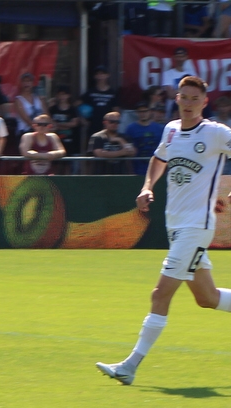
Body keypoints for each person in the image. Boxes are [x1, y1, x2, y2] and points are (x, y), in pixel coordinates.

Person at [97, 76, 231, 384]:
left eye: (193, 98)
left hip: (196, 225)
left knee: (160, 294)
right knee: (207, 298)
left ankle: (129, 366)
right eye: (183, 97)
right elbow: (159, 159)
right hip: (176, 224)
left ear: (204, 102)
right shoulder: (170, 130)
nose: (187, 103)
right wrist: (147, 187)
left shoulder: (215, 133)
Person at [125, 101, 165, 175]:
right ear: (136, 113)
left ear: (150, 112)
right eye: (140, 112)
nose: (143, 114)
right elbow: (128, 152)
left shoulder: (159, 128)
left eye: (145, 111)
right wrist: (130, 171)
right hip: (137, 169)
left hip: (157, 169)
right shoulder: (130, 129)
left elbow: (164, 149)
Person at [80, 66, 120, 140]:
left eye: (102, 74)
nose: (100, 76)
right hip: (93, 125)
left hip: (108, 126)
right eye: (98, 74)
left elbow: (116, 110)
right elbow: (78, 105)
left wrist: (114, 123)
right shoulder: (90, 92)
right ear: (95, 76)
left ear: (107, 75)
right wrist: (83, 119)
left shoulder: (112, 93)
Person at [48, 85, 81, 157]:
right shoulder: (52, 109)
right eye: (60, 94)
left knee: (68, 163)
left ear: (68, 95)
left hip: (71, 140)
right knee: (56, 163)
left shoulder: (73, 109)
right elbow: (50, 123)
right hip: (56, 140)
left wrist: (58, 124)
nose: (62, 97)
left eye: (64, 94)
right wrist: (65, 125)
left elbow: (74, 123)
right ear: (57, 96)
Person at [13, 72, 44, 138]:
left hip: (41, 131)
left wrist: (53, 126)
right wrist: (39, 129)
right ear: (21, 83)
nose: (26, 83)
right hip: (25, 132)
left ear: (33, 83)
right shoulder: (18, 100)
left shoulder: (39, 98)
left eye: (29, 81)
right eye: (24, 81)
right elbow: (26, 119)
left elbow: (46, 114)